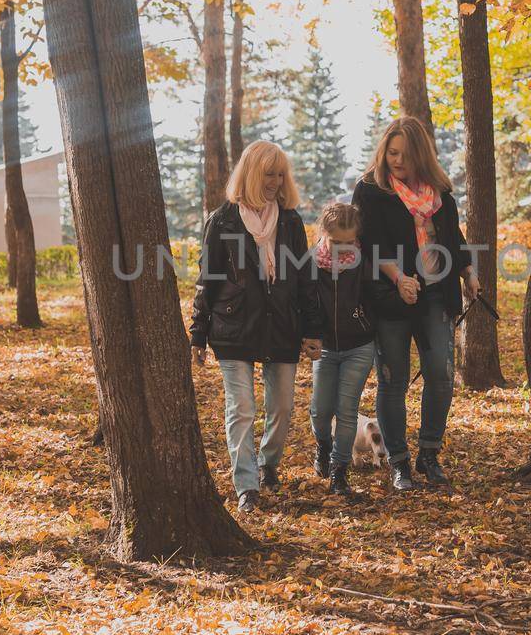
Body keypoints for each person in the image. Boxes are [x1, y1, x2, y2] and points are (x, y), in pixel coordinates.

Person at [191, 141, 320, 512]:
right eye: (268, 173)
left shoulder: (291, 221)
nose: (276, 181)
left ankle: (268, 463)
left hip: (282, 325)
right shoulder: (223, 220)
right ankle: (246, 484)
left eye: (280, 174)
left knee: (281, 407)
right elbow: (208, 278)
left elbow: (306, 278)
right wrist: (198, 333)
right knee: (242, 407)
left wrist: (312, 330)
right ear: (250, 173)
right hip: (234, 326)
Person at [352, 116, 479, 490]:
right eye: (392, 153)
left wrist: (468, 270)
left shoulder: (439, 192)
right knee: (393, 380)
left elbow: (454, 235)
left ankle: (428, 453)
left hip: (437, 294)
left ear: (420, 155)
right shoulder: (371, 190)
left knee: (440, 375)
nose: (397, 161)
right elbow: (369, 242)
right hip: (390, 296)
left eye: (405, 155)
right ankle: (399, 462)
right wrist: (399, 278)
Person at [308, 201, 375, 500]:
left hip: (358, 345)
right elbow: (304, 302)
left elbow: (375, 297)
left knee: (347, 411)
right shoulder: (310, 262)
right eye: (336, 242)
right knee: (321, 411)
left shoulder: (363, 260)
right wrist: (308, 334)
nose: (342, 249)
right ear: (324, 233)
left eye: (349, 242)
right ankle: (323, 445)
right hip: (325, 347)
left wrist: (364, 318)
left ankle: (339, 472)